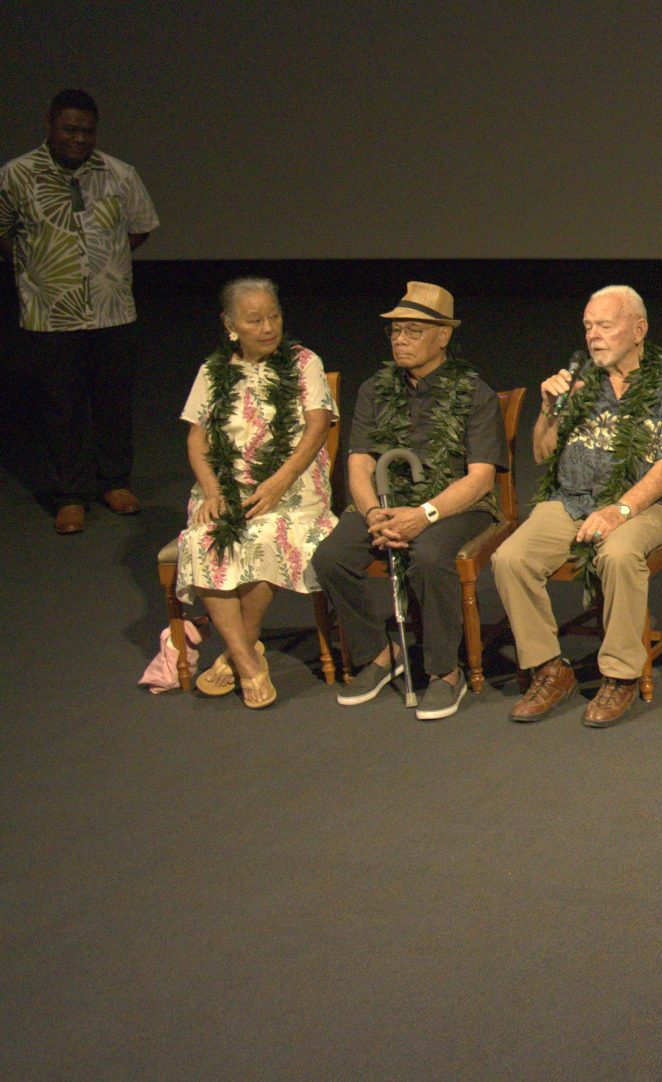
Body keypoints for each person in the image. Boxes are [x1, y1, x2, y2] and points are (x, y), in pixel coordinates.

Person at [494, 285, 662, 727]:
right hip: (570, 500)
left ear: (639, 329)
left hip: (647, 507)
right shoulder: (578, 382)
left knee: (619, 553)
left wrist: (619, 511)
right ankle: (550, 669)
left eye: (605, 325)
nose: (594, 336)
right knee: (510, 558)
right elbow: (542, 454)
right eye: (589, 326)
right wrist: (549, 410)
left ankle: (620, 674)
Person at [311, 282, 503, 721]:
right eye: (395, 331)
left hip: (456, 507)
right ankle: (379, 653)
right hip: (385, 500)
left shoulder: (475, 394)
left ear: (443, 336)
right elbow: (358, 461)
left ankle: (443, 672)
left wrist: (424, 514)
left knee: (431, 554)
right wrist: (372, 511)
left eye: (413, 331)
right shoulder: (374, 390)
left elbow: (480, 479)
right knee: (331, 557)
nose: (400, 340)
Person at [172, 278, 336, 709]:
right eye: (255, 320)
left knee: (266, 536)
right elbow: (197, 438)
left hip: (294, 486)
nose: (268, 327)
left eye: (274, 316)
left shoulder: (304, 362)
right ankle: (248, 662)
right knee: (205, 539)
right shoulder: (213, 372)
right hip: (227, 487)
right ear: (230, 326)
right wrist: (211, 490)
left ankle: (236, 650)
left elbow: (318, 425)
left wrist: (280, 480)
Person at [0, 89, 159, 534]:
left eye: (87, 131)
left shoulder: (118, 173)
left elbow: (140, 227)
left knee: (113, 401)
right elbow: (3, 230)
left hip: (111, 309)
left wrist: (106, 263)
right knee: (61, 404)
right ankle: (70, 495)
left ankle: (114, 482)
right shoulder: (17, 175)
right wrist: (37, 264)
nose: (79, 139)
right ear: (50, 123)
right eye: (70, 129)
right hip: (51, 312)